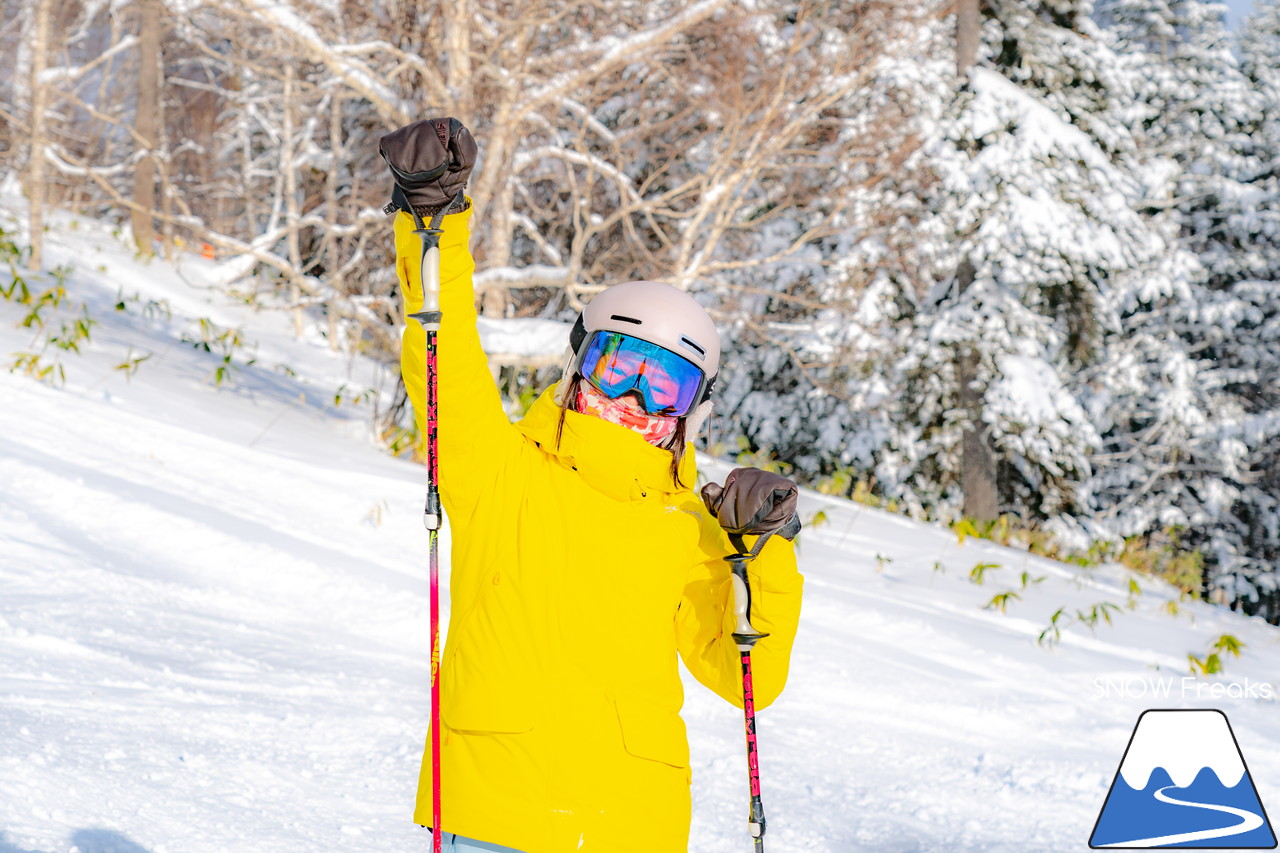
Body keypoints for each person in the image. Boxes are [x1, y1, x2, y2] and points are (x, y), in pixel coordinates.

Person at [380, 117, 805, 853]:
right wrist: (433, 220)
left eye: (663, 381)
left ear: (690, 410)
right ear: (580, 366)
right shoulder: (498, 468)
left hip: (632, 825)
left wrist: (762, 552)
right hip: (495, 810)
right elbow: (442, 346)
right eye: (620, 365)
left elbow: (748, 678)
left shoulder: (690, 526)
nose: (634, 398)